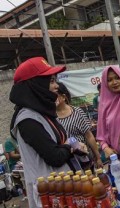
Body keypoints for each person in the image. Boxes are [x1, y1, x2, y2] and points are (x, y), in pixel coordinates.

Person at [9, 57, 87, 207]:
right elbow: (55, 157)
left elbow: (60, 146)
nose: (56, 86)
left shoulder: (42, 112)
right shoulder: (28, 120)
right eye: (51, 81)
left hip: (63, 189)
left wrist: (70, 145)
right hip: (50, 196)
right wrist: (70, 147)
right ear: (36, 85)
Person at [56, 82, 103, 169]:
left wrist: (98, 157)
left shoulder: (77, 112)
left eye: (55, 95)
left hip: (84, 158)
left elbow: (89, 136)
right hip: (66, 163)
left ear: (63, 97)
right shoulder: (52, 118)